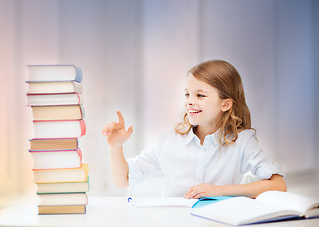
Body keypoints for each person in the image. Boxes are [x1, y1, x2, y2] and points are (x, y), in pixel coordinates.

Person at [102, 60, 287, 199]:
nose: (190, 100)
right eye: (187, 94)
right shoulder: (168, 141)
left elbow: (279, 185)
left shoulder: (242, 141)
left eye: (200, 95)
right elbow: (123, 179)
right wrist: (115, 147)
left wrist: (218, 191)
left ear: (225, 104)